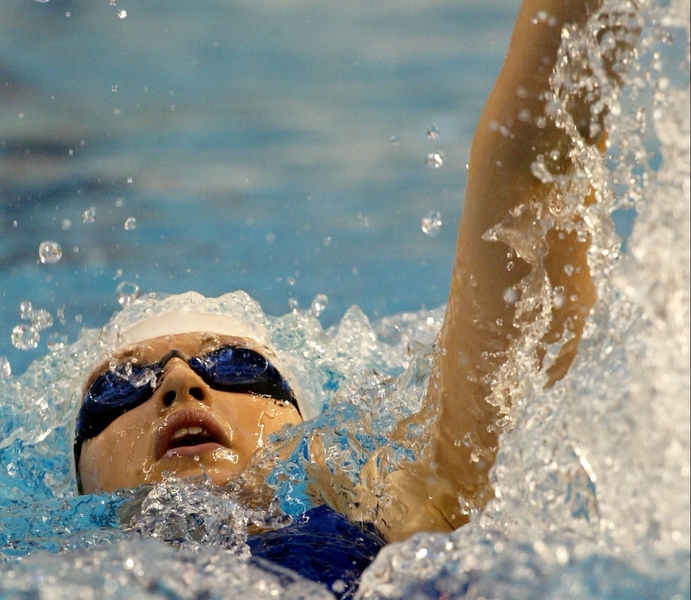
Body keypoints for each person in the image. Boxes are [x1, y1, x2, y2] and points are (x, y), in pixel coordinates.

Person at [73, 0, 625, 595]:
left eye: (237, 364)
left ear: (303, 433)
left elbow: (536, 169)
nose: (180, 383)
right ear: (78, 475)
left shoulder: (406, 533)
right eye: (121, 384)